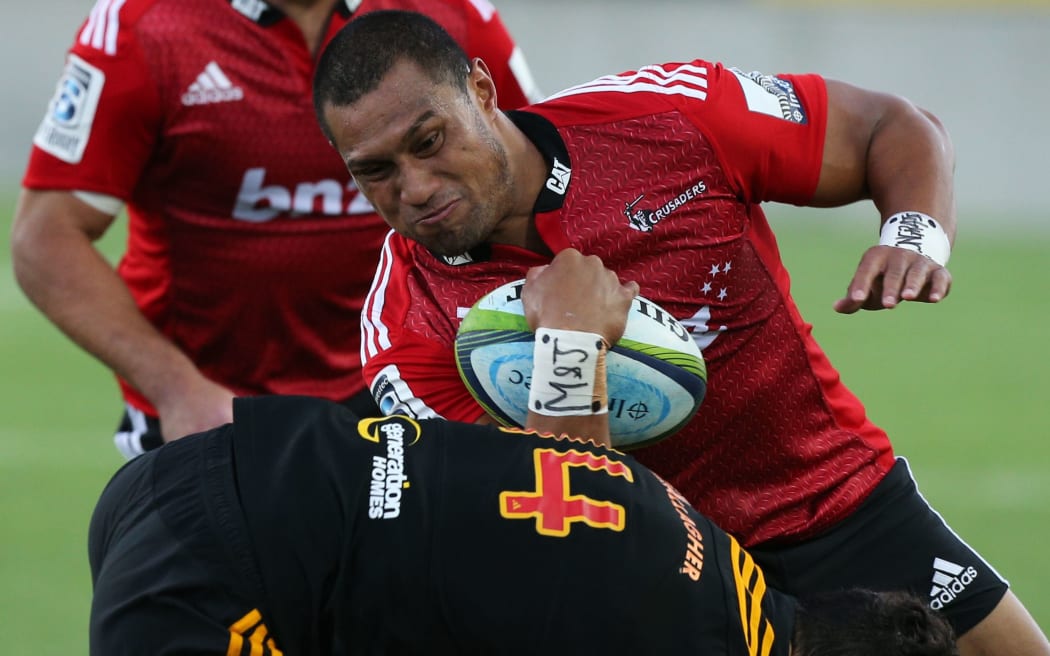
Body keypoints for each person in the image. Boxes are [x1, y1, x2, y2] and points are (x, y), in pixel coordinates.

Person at [310, 10, 1050, 656]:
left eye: (429, 141)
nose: (414, 189)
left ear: (480, 89)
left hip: (841, 504)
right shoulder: (405, 336)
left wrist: (914, 236)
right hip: (661, 578)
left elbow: (892, 126)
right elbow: (552, 543)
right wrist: (571, 347)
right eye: (375, 173)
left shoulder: (669, 118)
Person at [88, 249, 959, 655]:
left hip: (198, 484)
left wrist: (575, 343)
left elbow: (573, 502)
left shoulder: (722, 563)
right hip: (218, 575)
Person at [11, 0, 540, 459]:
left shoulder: (452, 14)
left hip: (416, 392)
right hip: (215, 412)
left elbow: (539, 164)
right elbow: (45, 236)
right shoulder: (143, 27)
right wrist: (178, 391)